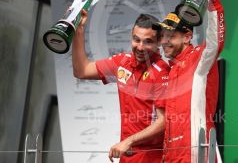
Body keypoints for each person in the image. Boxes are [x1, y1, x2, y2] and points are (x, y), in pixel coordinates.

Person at [72, 12, 170, 163]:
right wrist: (79, 30)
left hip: (152, 158)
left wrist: (128, 141)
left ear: (159, 42)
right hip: (127, 155)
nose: (140, 47)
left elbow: (163, 122)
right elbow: (82, 70)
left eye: (148, 41)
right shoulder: (123, 62)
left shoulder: (162, 72)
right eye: (136, 40)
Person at [153, 0, 225, 162]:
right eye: (163, 36)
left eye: (171, 36)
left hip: (198, 155)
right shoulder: (169, 70)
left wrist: (213, 3)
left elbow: (215, 42)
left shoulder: (199, 59)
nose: (164, 42)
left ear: (187, 37)